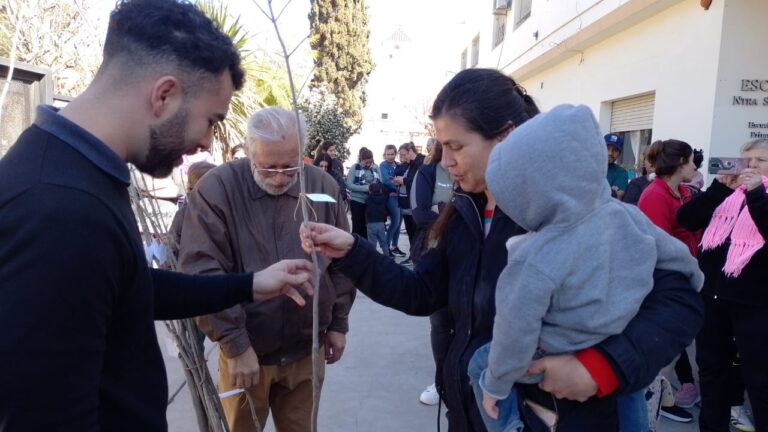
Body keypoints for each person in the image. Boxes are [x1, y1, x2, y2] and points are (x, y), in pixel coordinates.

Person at [299, 68, 705, 431]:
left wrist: (602, 367)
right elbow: (420, 292)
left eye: (457, 147)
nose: (448, 163)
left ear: (507, 136)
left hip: (568, 417)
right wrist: (352, 250)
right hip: (473, 414)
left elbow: (680, 301)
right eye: (443, 148)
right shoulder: (463, 214)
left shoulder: (575, 218)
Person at [0, 1, 314, 430]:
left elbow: (127, 284)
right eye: (210, 120)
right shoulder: (59, 212)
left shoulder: (75, 172)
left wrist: (251, 284)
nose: (207, 142)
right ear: (164, 95)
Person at [470, 105, 703, 432]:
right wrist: (697, 277)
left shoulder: (534, 255)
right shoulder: (624, 214)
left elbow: (515, 327)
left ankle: (507, 425)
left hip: (557, 350)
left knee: (480, 364)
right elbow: (677, 257)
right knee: (630, 396)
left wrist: (496, 383)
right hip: (617, 339)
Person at [178, 107, 355, 432]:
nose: (279, 177)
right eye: (268, 166)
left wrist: (338, 324)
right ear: (249, 151)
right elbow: (201, 272)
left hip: (307, 349)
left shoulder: (322, 185)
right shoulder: (218, 189)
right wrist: (235, 343)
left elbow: (342, 262)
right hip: (247, 354)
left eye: (289, 166)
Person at [677, 138, 768, 432]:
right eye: (747, 160)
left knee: (760, 377)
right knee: (712, 372)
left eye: (760, 161)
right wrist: (718, 188)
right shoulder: (726, 194)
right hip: (712, 299)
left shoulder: (758, 195)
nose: (751, 166)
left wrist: (756, 194)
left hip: (755, 304)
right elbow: (686, 219)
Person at [637, 139, 701, 414]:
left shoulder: (683, 193)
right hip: (666, 286)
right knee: (662, 354)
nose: (695, 165)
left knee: (673, 350)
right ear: (679, 164)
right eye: (690, 160)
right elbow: (659, 247)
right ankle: (647, 411)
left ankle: (655, 403)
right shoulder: (654, 196)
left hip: (684, 281)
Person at [411, 141, 455, 405]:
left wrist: (443, 213)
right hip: (435, 251)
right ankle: (442, 382)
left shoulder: (478, 169)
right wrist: (456, 220)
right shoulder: (427, 173)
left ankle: (462, 377)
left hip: (469, 252)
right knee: (440, 321)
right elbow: (420, 214)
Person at [168, 160, 216, 256]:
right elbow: (173, 242)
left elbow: (172, 243)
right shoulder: (184, 214)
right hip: (193, 263)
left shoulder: (220, 209)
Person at [394, 141, 425, 263]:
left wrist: (404, 180)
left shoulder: (421, 162)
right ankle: (413, 256)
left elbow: (418, 182)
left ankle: (417, 258)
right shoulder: (411, 164)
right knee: (411, 232)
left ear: (411, 151)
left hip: (416, 205)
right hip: (407, 203)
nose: (402, 158)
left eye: (403, 154)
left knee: (416, 233)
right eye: (400, 155)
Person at [346, 147, 380, 238]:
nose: (368, 164)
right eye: (366, 162)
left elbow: (381, 182)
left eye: (370, 162)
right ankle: (356, 248)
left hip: (371, 202)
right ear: (361, 160)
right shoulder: (355, 167)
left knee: (368, 228)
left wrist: (374, 188)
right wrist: (365, 188)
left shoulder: (376, 167)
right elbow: (349, 184)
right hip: (357, 201)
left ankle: (365, 248)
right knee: (357, 227)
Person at [379, 144, 406, 257]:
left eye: (392, 154)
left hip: (401, 197)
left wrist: (400, 183)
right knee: (394, 222)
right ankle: (386, 247)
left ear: (396, 154)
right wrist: (399, 185)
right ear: (385, 155)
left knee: (399, 223)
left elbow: (404, 178)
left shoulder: (399, 165)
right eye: (388, 154)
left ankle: (394, 246)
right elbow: (386, 181)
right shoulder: (383, 165)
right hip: (391, 197)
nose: (390, 156)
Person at [365, 182, 391, 257]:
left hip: (371, 223)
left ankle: (372, 258)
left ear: (370, 191)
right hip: (381, 223)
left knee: (372, 243)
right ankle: (387, 256)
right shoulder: (383, 198)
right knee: (383, 242)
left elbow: (366, 202)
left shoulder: (369, 199)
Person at [605, 132, 629, 200]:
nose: (610, 153)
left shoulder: (621, 173)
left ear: (620, 154)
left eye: (615, 150)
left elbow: (617, 196)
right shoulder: (591, 167)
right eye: (607, 148)